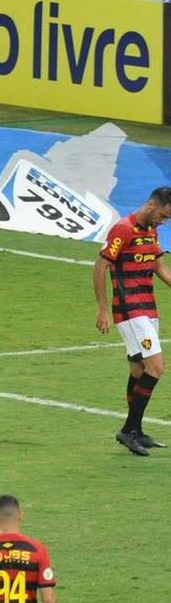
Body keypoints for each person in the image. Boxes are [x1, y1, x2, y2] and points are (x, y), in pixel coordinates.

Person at [94, 186, 171, 456]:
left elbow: (159, 266)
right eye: (163, 215)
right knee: (156, 366)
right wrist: (103, 309)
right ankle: (129, 429)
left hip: (148, 309)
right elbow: (100, 265)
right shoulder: (123, 229)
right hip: (129, 311)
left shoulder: (151, 231)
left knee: (139, 370)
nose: (164, 221)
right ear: (152, 205)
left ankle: (135, 431)